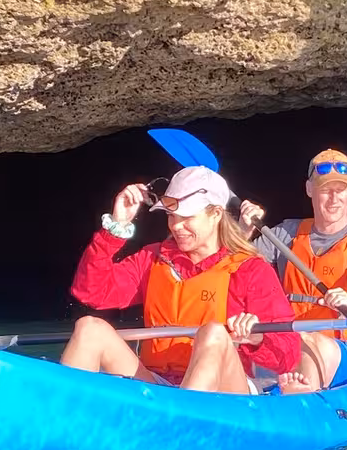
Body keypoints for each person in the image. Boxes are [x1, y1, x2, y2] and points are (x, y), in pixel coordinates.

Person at [61, 165, 299, 393]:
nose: (177, 226)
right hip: (160, 384)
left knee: (214, 334)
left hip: (226, 394)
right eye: (172, 216)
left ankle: (181, 421)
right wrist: (116, 226)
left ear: (216, 214)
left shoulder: (251, 270)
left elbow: (288, 357)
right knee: (88, 328)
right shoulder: (153, 258)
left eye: (187, 216)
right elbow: (91, 293)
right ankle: (58, 424)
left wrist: (256, 337)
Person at [238, 149, 347, 393]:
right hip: (289, 342)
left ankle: (301, 399)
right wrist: (244, 230)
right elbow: (235, 265)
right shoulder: (287, 233)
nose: (334, 198)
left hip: (345, 348)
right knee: (244, 343)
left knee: (309, 339)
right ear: (309, 190)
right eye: (326, 190)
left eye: (340, 190)